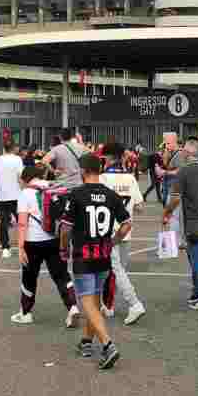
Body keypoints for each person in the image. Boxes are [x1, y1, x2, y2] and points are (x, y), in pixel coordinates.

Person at [60, 154, 131, 369]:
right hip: (103, 254)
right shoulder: (111, 195)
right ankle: (86, 341)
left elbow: (65, 227)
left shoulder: (76, 195)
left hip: (84, 254)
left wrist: (63, 248)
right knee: (95, 301)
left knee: (87, 303)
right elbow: (127, 224)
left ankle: (108, 345)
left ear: (82, 171)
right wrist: (113, 240)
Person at [10, 165, 79, 328]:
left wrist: (20, 247)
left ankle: (25, 313)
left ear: (25, 178)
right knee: (61, 275)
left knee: (29, 277)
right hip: (54, 239)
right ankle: (72, 307)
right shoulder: (53, 187)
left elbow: (22, 223)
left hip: (32, 242)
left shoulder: (25, 194)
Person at [162, 138, 198, 310]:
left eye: (183, 151)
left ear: (187, 153)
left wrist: (166, 213)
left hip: (191, 222)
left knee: (197, 260)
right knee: (195, 256)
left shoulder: (183, 172)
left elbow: (174, 198)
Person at [98, 144, 148, 325]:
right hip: (126, 230)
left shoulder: (102, 178)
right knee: (117, 271)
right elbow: (140, 207)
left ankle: (134, 304)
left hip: (108, 232)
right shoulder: (130, 178)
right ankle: (108, 305)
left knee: (114, 271)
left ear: (109, 158)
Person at [0, 144, 25, 260]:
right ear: (14, 149)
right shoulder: (17, 159)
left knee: (4, 222)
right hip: (16, 195)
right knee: (22, 222)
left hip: (2, 196)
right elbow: (21, 176)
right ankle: (25, 245)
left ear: (4, 149)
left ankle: (5, 248)